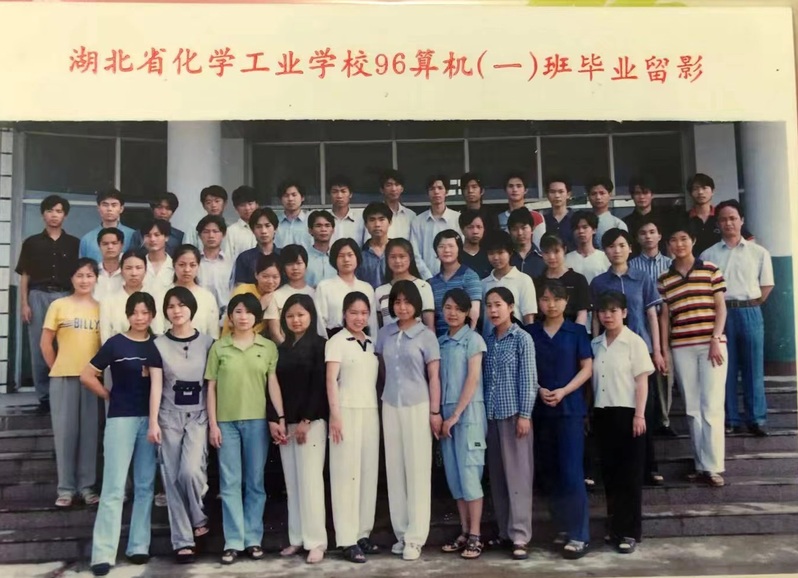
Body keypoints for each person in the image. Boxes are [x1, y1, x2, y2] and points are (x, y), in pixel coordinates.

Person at [80, 292, 162, 577]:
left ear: (152, 315)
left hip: (150, 421)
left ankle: (139, 546)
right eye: (135, 312)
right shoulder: (115, 343)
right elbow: (87, 375)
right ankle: (103, 554)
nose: (139, 317)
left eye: (145, 312)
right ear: (128, 315)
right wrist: (108, 395)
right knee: (114, 487)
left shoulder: (158, 344)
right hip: (121, 419)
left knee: (145, 485)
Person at [205, 293, 285, 565]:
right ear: (230, 317)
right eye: (237, 311)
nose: (243, 317)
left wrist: (279, 416)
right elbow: (211, 388)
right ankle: (233, 541)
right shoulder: (219, 347)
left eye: (248, 312)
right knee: (230, 483)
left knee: (255, 482)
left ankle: (252, 539)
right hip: (226, 423)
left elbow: (272, 384)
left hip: (257, 422)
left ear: (256, 318)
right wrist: (213, 424)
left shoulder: (267, 347)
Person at [591, 228, 665, 486]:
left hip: (640, 348)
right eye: (611, 246)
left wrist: (657, 351)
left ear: (630, 248)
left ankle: (649, 467)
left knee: (645, 409)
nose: (617, 250)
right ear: (605, 251)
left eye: (622, 245)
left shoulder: (642, 278)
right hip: (610, 350)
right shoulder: (599, 282)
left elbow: (652, 315)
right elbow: (596, 318)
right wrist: (595, 345)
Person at [525, 279, 592, 559]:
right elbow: (525, 367)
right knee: (549, 471)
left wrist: (564, 390)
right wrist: (538, 388)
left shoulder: (576, 331)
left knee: (571, 471)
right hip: (540, 409)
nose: (550, 304)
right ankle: (562, 527)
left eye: (556, 299)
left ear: (566, 302)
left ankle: (579, 535)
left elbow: (587, 368)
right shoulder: (530, 332)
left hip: (569, 410)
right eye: (545, 299)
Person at [147, 287, 215, 564]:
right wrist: (153, 421)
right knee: (172, 480)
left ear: (192, 309)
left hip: (198, 416)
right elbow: (156, 385)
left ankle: (198, 517)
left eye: (182, 305)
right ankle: (183, 541)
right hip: (169, 416)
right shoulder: (158, 345)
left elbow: (212, 386)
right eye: (171, 306)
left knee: (190, 472)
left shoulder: (209, 343)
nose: (176, 311)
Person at [376, 280, 442, 562]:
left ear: (417, 304)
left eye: (407, 302)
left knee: (417, 471)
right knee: (395, 470)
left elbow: (434, 377)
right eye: (397, 302)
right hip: (390, 404)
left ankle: (415, 538)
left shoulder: (426, 336)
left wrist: (435, 412)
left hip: (418, 406)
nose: (402, 307)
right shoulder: (384, 334)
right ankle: (401, 534)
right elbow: (381, 371)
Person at [658, 221, 728, 487]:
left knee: (712, 405)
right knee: (692, 408)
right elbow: (665, 318)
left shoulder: (710, 269)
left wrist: (715, 338)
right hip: (681, 347)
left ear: (693, 241)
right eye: (674, 240)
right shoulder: (664, 279)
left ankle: (714, 467)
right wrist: (665, 350)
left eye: (684, 239)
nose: (679, 244)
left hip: (712, 345)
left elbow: (721, 308)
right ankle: (701, 465)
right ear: (668, 245)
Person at [700, 200, 773, 437]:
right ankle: (730, 418)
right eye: (723, 219)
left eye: (733, 218)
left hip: (750, 310)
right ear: (717, 224)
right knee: (724, 368)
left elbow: (766, 285)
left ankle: (756, 418)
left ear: (742, 220)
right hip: (721, 315)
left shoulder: (758, 252)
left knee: (753, 366)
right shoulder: (708, 254)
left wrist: (750, 304)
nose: (728, 223)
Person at [591, 290, 653, 554]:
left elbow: (642, 382)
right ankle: (615, 528)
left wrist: (639, 415)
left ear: (625, 313)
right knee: (610, 475)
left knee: (630, 476)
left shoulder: (634, 342)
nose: (608, 315)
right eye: (603, 311)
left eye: (613, 310)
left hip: (628, 414)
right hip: (602, 413)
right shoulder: (595, 344)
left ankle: (629, 532)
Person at [268, 294, 329, 564]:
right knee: (292, 483)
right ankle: (297, 538)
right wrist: (279, 420)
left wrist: (307, 420)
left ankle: (316, 541)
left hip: (311, 423)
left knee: (310, 481)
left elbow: (319, 385)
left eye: (301, 315)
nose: (296, 320)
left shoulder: (320, 345)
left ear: (311, 316)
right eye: (290, 315)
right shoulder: (282, 349)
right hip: (287, 423)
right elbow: (274, 386)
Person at [481, 286, 538, 561]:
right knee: (499, 478)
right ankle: (504, 532)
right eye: (489, 305)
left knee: (518, 477)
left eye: (498, 305)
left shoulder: (522, 338)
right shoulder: (488, 340)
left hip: (515, 416)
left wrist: (525, 415)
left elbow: (528, 379)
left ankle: (520, 536)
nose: (493, 310)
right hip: (492, 417)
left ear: (511, 307)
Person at [40, 258, 101, 508]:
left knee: (90, 434)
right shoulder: (58, 305)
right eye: (79, 275)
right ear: (71, 278)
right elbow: (45, 343)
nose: (84, 280)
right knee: (65, 434)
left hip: (93, 380)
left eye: (89, 275)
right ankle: (65, 488)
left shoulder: (102, 307)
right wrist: (57, 366)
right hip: (64, 377)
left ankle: (86, 487)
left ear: (96, 279)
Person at [326, 292, 381, 564]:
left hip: (370, 411)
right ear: (344, 314)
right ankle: (346, 539)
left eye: (363, 313)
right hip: (345, 411)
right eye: (353, 312)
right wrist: (335, 415)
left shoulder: (371, 343)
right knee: (345, 474)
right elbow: (330, 380)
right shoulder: (336, 342)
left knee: (367, 473)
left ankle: (362, 534)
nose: (359, 318)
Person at [17, 194, 80, 410]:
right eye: (50, 211)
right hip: (38, 296)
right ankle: (44, 397)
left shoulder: (74, 244)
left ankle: (64, 392)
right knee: (39, 345)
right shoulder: (31, 243)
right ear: (43, 214)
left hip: (65, 296)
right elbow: (25, 275)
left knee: (65, 345)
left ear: (65, 215)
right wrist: (24, 304)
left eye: (59, 211)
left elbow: (79, 275)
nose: (54, 215)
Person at [437, 288, 487, 560]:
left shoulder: (474, 340)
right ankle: (464, 532)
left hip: (468, 416)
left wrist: (455, 415)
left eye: (458, 308)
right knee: (454, 477)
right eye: (448, 307)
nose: (452, 313)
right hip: (446, 418)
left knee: (470, 474)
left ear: (468, 312)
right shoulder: (441, 342)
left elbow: (472, 379)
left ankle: (476, 535)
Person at [629, 218, 676, 437]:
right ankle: (644, 416)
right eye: (643, 233)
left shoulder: (670, 264)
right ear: (637, 238)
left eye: (652, 231)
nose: (648, 236)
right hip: (641, 322)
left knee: (664, 369)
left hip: (667, 320)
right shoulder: (631, 266)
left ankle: (664, 420)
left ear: (659, 236)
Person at [316, 238, 378, 337]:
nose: (346, 259)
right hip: (334, 339)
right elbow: (320, 322)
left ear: (357, 257)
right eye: (341, 256)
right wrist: (326, 343)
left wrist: (372, 342)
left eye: (350, 255)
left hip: (362, 339)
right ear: (334, 259)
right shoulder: (324, 287)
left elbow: (372, 323)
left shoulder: (366, 288)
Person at [480, 231, 537, 336]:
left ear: (510, 253)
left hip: (516, 341)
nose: (496, 257)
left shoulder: (524, 280)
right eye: (491, 253)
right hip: (489, 342)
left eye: (500, 252)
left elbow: (528, 318)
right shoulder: (483, 283)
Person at [101, 251, 165, 344]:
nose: (134, 273)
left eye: (138, 268)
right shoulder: (108, 300)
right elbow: (105, 335)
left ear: (146, 270)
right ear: (121, 270)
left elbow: (160, 330)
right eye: (128, 268)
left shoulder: (156, 297)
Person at [686, 173, 754, 257]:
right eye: (695, 189)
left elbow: (749, 239)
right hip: (693, 264)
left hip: (722, 262)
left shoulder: (723, 216)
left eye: (704, 188)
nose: (700, 192)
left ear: (713, 191)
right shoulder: (683, 219)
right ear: (690, 193)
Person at [429, 230, 482, 336]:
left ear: (459, 249)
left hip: (464, 338)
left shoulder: (470, 276)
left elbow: (474, 313)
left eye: (451, 246)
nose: (446, 250)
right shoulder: (432, 282)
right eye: (441, 246)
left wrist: (467, 338)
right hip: (440, 339)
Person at [374, 238, 435, 331]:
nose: (397, 261)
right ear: (387, 259)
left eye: (402, 256)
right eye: (393, 257)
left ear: (410, 258)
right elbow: (379, 327)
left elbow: (429, 326)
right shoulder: (380, 291)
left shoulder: (423, 286)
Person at [272, 245, 326, 343]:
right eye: (290, 264)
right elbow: (275, 333)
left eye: (299, 263)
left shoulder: (316, 294)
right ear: (283, 268)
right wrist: (290, 349)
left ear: (306, 265)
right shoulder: (276, 295)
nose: (295, 268)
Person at [410, 174, 462, 276]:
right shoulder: (418, 221)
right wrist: (427, 276)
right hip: (425, 278)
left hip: (454, 276)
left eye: (440, 188)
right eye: (432, 189)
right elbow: (415, 253)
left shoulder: (458, 219)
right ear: (427, 193)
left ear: (446, 192)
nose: (436, 192)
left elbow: (461, 249)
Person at [535, 233, 590, 326]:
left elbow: (582, 314)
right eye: (546, 252)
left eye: (556, 251)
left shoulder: (578, 280)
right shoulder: (538, 282)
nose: (551, 257)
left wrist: (575, 332)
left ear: (564, 250)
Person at [224, 253, 281, 339]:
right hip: (230, 340)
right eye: (265, 276)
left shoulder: (276, 296)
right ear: (256, 275)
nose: (270, 281)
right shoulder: (243, 289)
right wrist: (259, 306)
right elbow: (231, 324)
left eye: (275, 277)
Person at [171, 245, 220, 338]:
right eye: (182, 265)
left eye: (192, 265)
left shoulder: (207, 297)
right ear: (174, 265)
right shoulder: (163, 294)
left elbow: (213, 334)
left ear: (198, 266)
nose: (187, 270)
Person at [79, 188, 136, 262]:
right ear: (98, 208)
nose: (109, 209)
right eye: (105, 205)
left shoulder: (133, 236)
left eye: (114, 205)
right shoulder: (87, 239)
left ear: (121, 208)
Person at [233, 207, 282, 286]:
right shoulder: (244, 258)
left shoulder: (283, 255)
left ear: (275, 228)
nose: (263, 231)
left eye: (267, 226)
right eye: (259, 227)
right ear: (253, 230)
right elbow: (240, 286)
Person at [196, 215, 234, 316]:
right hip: (200, 314)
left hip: (226, 315)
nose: (211, 236)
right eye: (206, 232)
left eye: (215, 231)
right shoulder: (194, 263)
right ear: (199, 235)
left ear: (223, 234)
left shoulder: (231, 263)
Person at [497, 172, 546, 249]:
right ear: (505, 190)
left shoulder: (536, 217)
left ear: (525, 190)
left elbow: (540, 246)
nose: (515, 189)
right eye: (510, 186)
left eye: (519, 186)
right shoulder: (498, 218)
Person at [623, 178, 670, 256]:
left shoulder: (665, 220)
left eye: (645, 192)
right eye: (637, 193)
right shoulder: (626, 223)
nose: (642, 197)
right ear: (632, 196)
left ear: (652, 194)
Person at [129, 192, 184, 257]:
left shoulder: (179, 236)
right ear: (152, 209)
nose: (163, 212)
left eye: (168, 208)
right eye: (159, 207)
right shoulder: (139, 234)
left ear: (172, 212)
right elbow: (132, 256)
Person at [565, 211, 611, 285]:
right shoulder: (566, 259)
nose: (581, 231)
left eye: (585, 227)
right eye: (577, 228)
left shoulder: (605, 258)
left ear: (594, 230)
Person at [182, 185, 228, 250]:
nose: (213, 205)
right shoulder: (194, 228)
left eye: (217, 201)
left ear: (225, 203)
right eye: (209, 202)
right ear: (204, 206)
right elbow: (187, 251)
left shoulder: (231, 228)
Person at [377, 169, 416, 240]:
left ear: (402, 189)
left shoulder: (411, 215)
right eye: (389, 185)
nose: (393, 189)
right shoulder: (375, 215)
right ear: (382, 190)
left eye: (397, 184)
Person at [508, 208, 546, 279]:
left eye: (523, 228)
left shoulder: (543, 258)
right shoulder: (506, 258)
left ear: (532, 229)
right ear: (509, 232)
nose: (520, 233)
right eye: (515, 229)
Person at [274, 181, 313, 249]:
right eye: (286, 195)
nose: (290, 199)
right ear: (280, 199)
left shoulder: (310, 221)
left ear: (302, 197)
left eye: (294, 195)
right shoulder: (274, 222)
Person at [586, 178, 627, 243]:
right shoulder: (583, 223)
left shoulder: (618, 224)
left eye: (602, 193)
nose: (598, 197)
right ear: (588, 196)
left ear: (609, 195)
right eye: (594, 194)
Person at [328, 175, 365, 245]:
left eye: (343, 191)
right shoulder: (323, 220)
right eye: (335, 192)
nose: (339, 196)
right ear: (329, 194)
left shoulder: (361, 219)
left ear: (350, 194)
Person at [542, 176, 577, 252]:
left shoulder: (577, 219)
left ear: (568, 194)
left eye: (561, 192)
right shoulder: (543, 220)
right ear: (547, 195)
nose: (557, 196)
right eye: (552, 192)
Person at [141, 219, 175, 296]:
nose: (152, 239)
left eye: (157, 235)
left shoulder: (174, 266)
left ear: (166, 237)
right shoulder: (138, 266)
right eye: (148, 235)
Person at [305, 210, 338, 288]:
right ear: (310, 230)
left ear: (333, 230)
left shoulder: (338, 257)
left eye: (327, 225)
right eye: (318, 226)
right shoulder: (304, 257)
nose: (323, 229)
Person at [225, 186, 258, 261]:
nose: (247, 208)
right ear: (236, 208)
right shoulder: (231, 231)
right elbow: (228, 258)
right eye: (242, 205)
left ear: (256, 205)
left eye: (250, 204)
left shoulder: (265, 228)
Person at [459, 209, 492, 280]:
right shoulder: (455, 256)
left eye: (479, 227)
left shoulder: (489, 255)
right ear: (462, 229)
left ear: (484, 229)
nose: (475, 231)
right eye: (470, 227)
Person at [94, 227, 124, 303]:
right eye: (105, 244)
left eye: (114, 243)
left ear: (121, 245)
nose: (110, 247)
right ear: (99, 246)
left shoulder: (128, 272)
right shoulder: (93, 272)